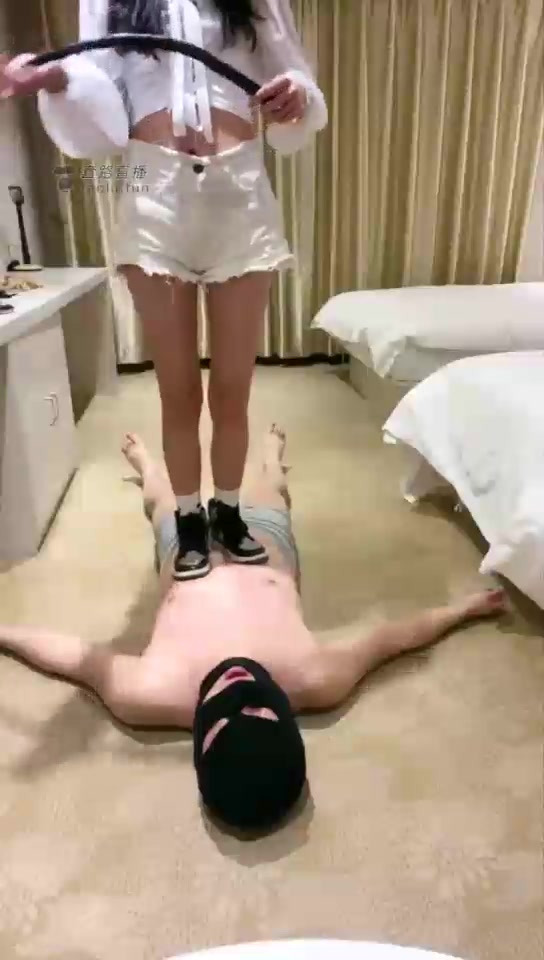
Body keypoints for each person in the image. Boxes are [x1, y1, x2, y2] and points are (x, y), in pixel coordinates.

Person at [0, 425, 507, 832]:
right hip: (264, 548)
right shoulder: (315, 680)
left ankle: (146, 466)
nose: (237, 684)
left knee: (164, 503)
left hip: (184, 558)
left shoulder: (149, 694)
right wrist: (461, 611)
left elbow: (75, 659)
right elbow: (390, 639)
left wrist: (5, 632)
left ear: (201, 741)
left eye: (224, 713)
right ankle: (271, 458)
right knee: (269, 491)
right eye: (261, 708)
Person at [0, 1, 328, 581]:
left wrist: (297, 95)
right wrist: (55, 78)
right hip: (153, 195)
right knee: (178, 392)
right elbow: (100, 100)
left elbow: (296, 76)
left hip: (241, 195)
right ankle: (189, 518)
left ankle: (228, 511)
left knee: (233, 390)